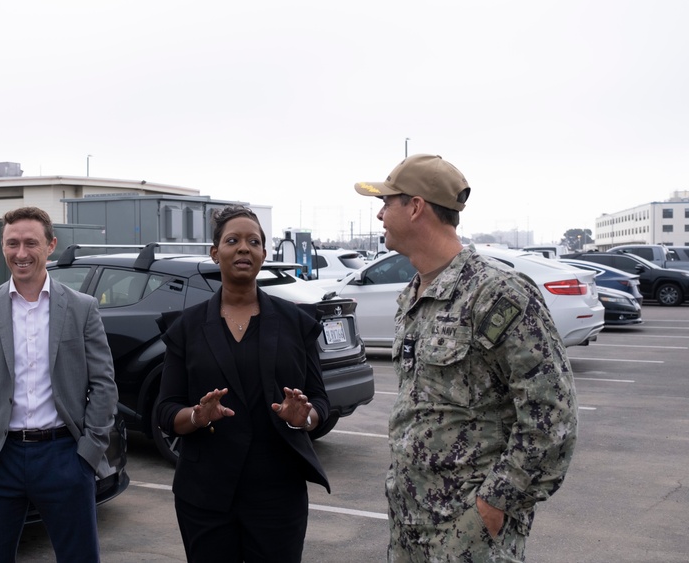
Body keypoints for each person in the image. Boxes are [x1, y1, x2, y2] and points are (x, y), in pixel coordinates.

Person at [354, 154, 579, 562]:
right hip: (410, 517)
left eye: (388, 202)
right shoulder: (414, 294)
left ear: (416, 206)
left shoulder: (496, 293)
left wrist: (495, 503)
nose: (379, 213)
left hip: (467, 527)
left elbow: (551, 415)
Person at [155, 205, 331, 563]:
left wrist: (305, 417)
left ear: (264, 254)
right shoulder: (186, 329)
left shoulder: (297, 323)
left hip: (278, 493)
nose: (243, 248)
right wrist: (196, 417)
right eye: (232, 240)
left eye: (253, 241)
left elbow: (320, 404)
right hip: (205, 495)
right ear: (214, 252)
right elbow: (165, 411)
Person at [0, 206, 118, 562]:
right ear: (3, 247)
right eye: (12, 243)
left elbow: (104, 384)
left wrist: (89, 453)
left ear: (51, 245)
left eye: (31, 243)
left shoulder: (82, 308)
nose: (21, 253)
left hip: (63, 456)